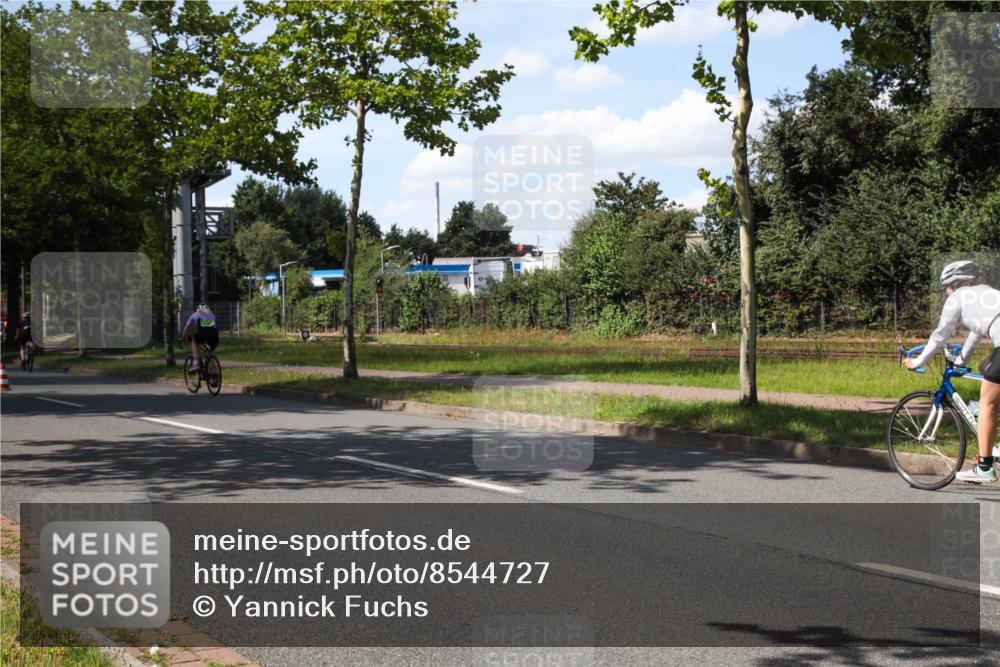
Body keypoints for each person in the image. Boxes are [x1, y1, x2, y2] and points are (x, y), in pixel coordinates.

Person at [904, 260, 1000, 483]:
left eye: (947, 287)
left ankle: (984, 467)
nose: (947, 292)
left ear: (958, 283)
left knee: (987, 404)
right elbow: (976, 332)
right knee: (985, 368)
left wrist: (918, 361)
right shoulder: (988, 293)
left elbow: (940, 335)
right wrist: (960, 361)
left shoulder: (958, 297)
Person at [181, 304, 219, 372]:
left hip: (203, 334)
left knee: (194, 340)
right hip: (215, 336)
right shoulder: (212, 315)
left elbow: (186, 328)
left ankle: (196, 362)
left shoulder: (194, 315)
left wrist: (184, 336)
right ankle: (216, 373)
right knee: (209, 353)